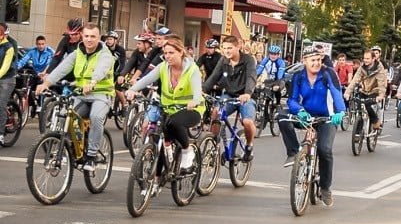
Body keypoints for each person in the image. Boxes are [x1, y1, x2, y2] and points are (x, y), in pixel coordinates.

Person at [36, 23, 115, 171]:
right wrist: (46, 83)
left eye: (93, 36)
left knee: (96, 117)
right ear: (82, 37)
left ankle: (91, 156)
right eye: (86, 36)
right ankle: (72, 147)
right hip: (81, 94)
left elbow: (102, 68)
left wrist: (93, 82)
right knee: (68, 116)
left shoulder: (105, 54)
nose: (89, 39)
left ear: (99, 37)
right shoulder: (77, 52)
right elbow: (62, 68)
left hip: (101, 93)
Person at [277, 44, 345, 207]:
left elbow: (337, 94)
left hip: (327, 118)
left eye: (318, 60)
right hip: (306, 116)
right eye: (312, 60)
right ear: (304, 61)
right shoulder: (299, 76)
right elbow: (292, 99)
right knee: (282, 117)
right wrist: (299, 110)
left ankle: (325, 188)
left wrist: (340, 112)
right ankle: (293, 152)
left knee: (324, 150)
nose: (316, 63)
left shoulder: (328, 73)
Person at [125, 35, 205, 171]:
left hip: (191, 110)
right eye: (165, 53)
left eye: (171, 53)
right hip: (168, 109)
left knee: (173, 123)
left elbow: (197, 89)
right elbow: (146, 79)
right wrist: (132, 89)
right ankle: (156, 180)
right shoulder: (163, 67)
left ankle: (187, 151)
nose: (168, 56)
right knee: (161, 137)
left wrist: (195, 100)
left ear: (181, 52)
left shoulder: (192, 69)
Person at [204, 34, 258, 162]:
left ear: (237, 47)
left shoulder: (248, 60)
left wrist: (247, 93)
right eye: (224, 48)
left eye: (230, 48)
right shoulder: (223, 60)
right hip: (229, 95)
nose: (227, 51)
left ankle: (249, 146)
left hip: (246, 96)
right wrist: (202, 90)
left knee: (247, 122)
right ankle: (214, 146)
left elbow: (251, 77)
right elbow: (213, 77)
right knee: (216, 113)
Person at [344, 48, 387, 130]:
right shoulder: (362, 68)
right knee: (359, 108)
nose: (365, 60)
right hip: (364, 90)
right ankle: (357, 133)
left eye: (367, 58)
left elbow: (381, 84)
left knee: (367, 105)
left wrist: (381, 96)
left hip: (375, 90)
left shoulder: (379, 68)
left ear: (373, 59)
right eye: (364, 58)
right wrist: (347, 92)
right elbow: (355, 80)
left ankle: (375, 120)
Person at [16, 35, 54, 115]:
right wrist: (17, 67)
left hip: (45, 73)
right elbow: (24, 60)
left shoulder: (50, 51)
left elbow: (51, 63)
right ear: (36, 44)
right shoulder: (33, 51)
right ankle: (33, 104)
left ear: (45, 43)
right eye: (39, 44)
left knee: (42, 89)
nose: (41, 46)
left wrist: (45, 72)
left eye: (42, 44)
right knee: (27, 88)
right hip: (35, 73)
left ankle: (40, 105)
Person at [0, 20, 17, 147]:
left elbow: (5, 67)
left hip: (7, 78)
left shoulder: (9, 46)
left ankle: (0, 134)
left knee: (0, 104)